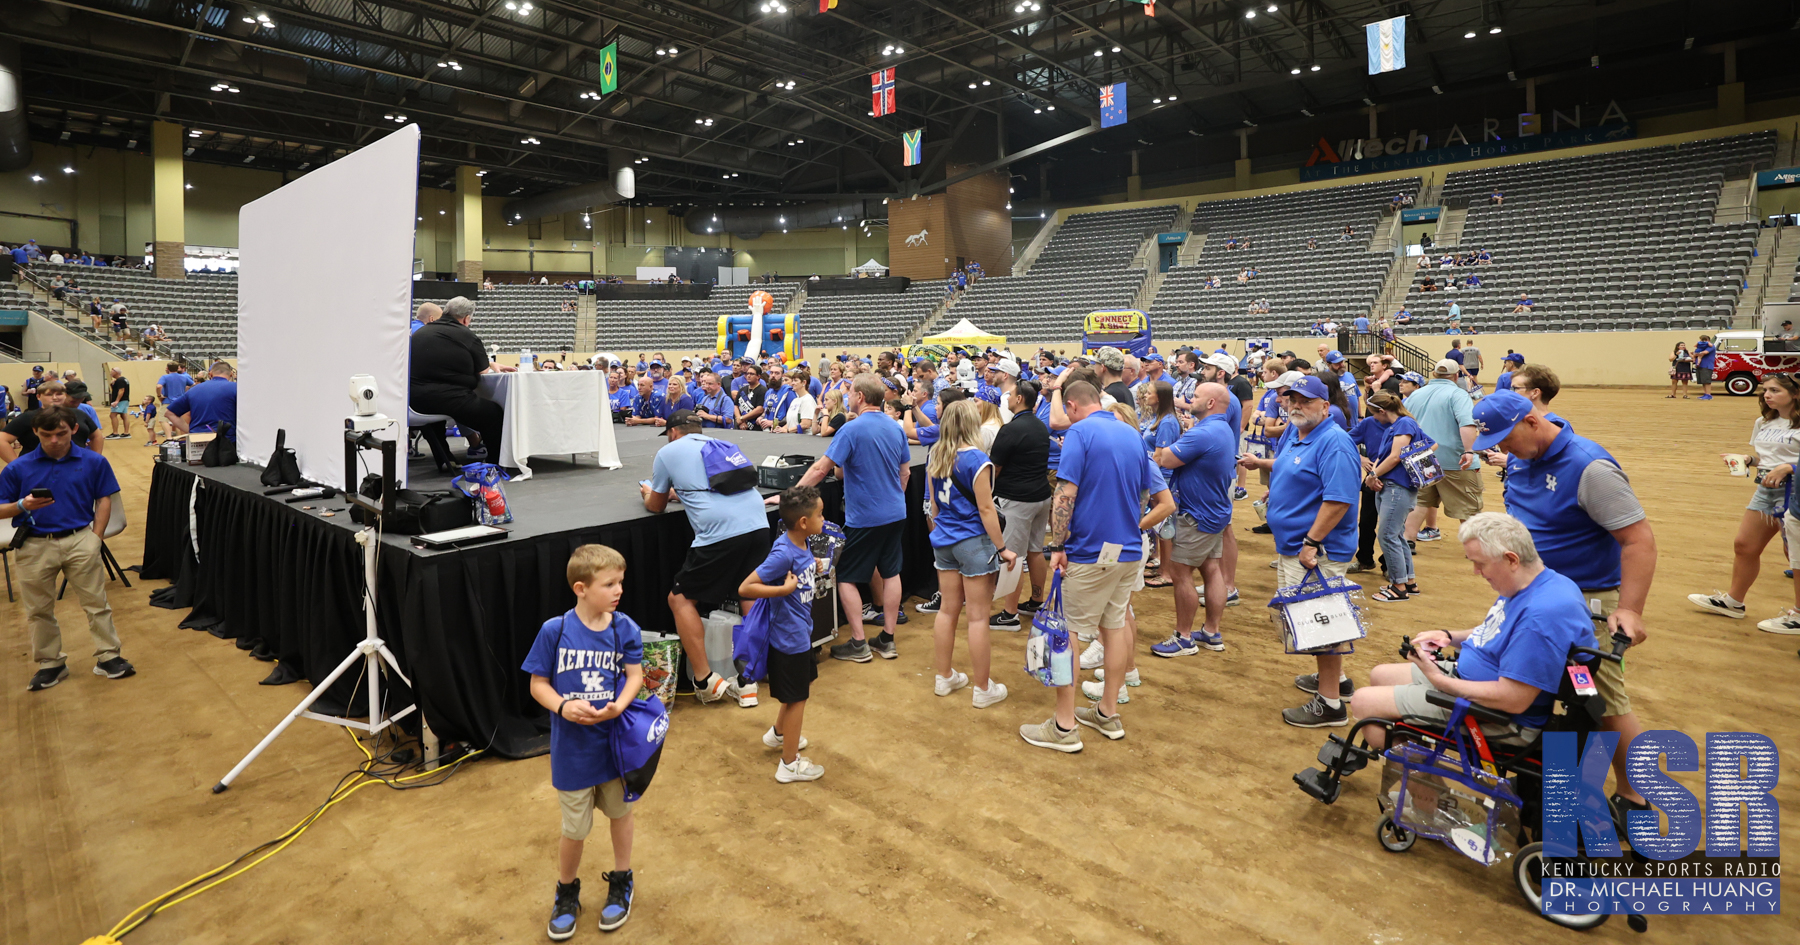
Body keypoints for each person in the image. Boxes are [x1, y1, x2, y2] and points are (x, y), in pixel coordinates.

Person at [1472, 390, 1658, 810]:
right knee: (1534, 687)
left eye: (1505, 439)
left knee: (1601, 700)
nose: (1501, 450)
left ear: (1533, 422)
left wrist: (1629, 609)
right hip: (1533, 598)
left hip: (1583, 606)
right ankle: (1550, 783)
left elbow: (1638, 540)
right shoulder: (1522, 457)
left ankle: (1636, 795)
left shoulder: (1589, 467)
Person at [1350, 512, 1594, 752]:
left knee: (1364, 702)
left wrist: (1439, 681)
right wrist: (1449, 636)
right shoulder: (1539, 582)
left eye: (1481, 563)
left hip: (1500, 715)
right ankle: (1416, 757)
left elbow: (1514, 700)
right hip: (1475, 679)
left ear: (1511, 559)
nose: (1476, 572)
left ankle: (1424, 787)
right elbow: (1499, 631)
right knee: (1380, 674)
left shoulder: (1539, 617)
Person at [1017, 380, 1173, 753]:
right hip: (1128, 550)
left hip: (1089, 552)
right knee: (1114, 628)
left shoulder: (1079, 433)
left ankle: (1064, 725)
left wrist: (1057, 544)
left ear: (1072, 405)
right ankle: (1106, 711)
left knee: (1068, 634)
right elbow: (1156, 498)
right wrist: (1127, 525)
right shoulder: (1132, 434)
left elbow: (1065, 493)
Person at [520, 544, 642, 938]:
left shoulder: (625, 628)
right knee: (574, 828)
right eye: (609, 584)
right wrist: (561, 707)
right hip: (572, 751)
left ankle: (622, 879)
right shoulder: (554, 631)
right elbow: (537, 684)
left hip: (614, 747)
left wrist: (619, 706)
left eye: (620, 581)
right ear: (580, 588)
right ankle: (566, 890)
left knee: (620, 813)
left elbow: (635, 675)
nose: (618, 590)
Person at [1236, 376, 1362, 727]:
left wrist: (1311, 542)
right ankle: (1335, 680)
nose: (1295, 405)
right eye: (1292, 399)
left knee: (1323, 624)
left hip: (1316, 551)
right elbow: (1294, 471)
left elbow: (1339, 500)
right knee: (1318, 621)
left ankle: (1330, 704)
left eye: (1305, 400)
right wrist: (1267, 476)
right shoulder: (1302, 435)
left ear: (1325, 406)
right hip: (1297, 547)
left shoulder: (1334, 441)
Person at [643, 410, 770, 706]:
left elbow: (656, 505)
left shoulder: (668, 451)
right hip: (758, 524)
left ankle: (704, 679)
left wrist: (648, 492)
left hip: (720, 533)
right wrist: (682, 494)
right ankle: (752, 675)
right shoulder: (722, 445)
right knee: (749, 593)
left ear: (674, 432)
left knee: (680, 598)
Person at [0, 407, 132, 691]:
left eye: (61, 433)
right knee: (38, 609)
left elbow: (104, 499)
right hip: (34, 544)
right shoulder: (17, 468)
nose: (55, 440)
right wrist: (22, 505)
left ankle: (109, 656)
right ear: (35, 433)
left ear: (73, 430)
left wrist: (96, 537)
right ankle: (51, 664)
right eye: (47, 435)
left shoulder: (94, 462)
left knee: (97, 603)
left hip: (80, 539)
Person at [785, 376, 911, 662]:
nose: (848, 396)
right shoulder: (895, 428)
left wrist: (790, 496)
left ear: (861, 397)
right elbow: (905, 474)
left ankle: (857, 642)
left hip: (866, 516)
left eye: (851, 392)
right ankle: (887, 639)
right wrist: (892, 498)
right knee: (892, 573)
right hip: (896, 512)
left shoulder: (851, 429)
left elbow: (820, 470)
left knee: (847, 577)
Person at [923, 400, 1017, 708]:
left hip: (944, 540)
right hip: (973, 542)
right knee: (977, 617)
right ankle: (981, 688)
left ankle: (943, 676)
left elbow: (934, 508)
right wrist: (1002, 548)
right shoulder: (978, 460)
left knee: (947, 610)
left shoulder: (936, 455)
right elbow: (986, 509)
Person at [1688, 374, 1800, 626]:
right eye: (1765, 390)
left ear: (1795, 394)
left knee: (1794, 554)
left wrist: (1789, 468)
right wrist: (1748, 460)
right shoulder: (1764, 421)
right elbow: (1767, 459)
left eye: (1774, 390)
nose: (1767, 395)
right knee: (1744, 545)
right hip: (1766, 490)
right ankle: (1733, 601)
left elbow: (1785, 463)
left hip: (1794, 492)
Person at [738, 486, 830, 782]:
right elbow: (746, 587)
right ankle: (789, 764)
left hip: (800, 635)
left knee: (796, 695)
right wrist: (783, 589)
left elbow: (797, 571)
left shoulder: (800, 545)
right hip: (788, 641)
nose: (823, 519)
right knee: (798, 699)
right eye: (819, 514)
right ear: (803, 522)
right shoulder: (783, 552)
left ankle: (779, 734)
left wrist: (810, 567)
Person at [1153, 382, 1237, 655]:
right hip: (1213, 511)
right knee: (1211, 570)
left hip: (1196, 514)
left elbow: (1164, 459)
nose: (1190, 398)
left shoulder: (1205, 432)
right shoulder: (1221, 427)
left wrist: (1159, 450)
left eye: (1197, 396)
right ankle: (1211, 632)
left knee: (1180, 573)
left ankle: (1184, 637)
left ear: (1211, 403)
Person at [410, 297, 506, 460]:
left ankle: (445, 461)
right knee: (494, 414)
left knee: (439, 419)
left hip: (415, 400)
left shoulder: (420, 333)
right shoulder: (467, 335)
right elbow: (483, 371)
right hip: (448, 398)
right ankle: (496, 461)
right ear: (466, 318)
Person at [990, 381, 1052, 629]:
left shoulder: (1010, 429)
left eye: (1010, 395)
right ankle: (1036, 601)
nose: (1006, 398)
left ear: (1019, 399)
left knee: (1012, 556)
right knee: (1036, 551)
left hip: (1017, 500)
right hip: (1041, 496)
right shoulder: (1040, 425)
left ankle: (1009, 613)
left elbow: (994, 469)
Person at [1403, 359, 1482, 543]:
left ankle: (1407, 541)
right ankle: (1476, 547)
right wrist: (1469, 450)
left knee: (1421, 503)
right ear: (1456, 376)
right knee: (1468, 506)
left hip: (1422, 457)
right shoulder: (1458, 394)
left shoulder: (1414, 395)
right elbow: (1467, 423)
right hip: (1454, 459)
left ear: (1434, 375)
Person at [1361, 392, 1425, 601]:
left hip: (1398, 487)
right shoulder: (1396, 426)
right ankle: (1409, 582)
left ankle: (1398, 587)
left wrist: (1373, 474)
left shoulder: (1404, 424)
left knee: (1387, 535)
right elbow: (1429, 444)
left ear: (1381, 411)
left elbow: (1396, 456)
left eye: (1373, 414)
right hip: (1390, 485)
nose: (1373, 419)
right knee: (1396, 534)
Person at [0, 381, 104, 463]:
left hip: (76, 466)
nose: (55, 398)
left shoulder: (79, 414)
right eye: (49, 394)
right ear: (39, 397)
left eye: (59, 394)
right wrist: (17, 465)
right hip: (37, 468)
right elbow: (2, 440)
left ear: (65, 395)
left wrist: (95, 460)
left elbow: (97, 436)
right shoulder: (28, 417)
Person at [165, 361, 239, 440]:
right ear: (231, 374)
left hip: (198, 439)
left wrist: (190, 431)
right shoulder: (236, 388)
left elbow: (169, 413)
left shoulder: (194, 389)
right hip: (228, 440)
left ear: (210, 374)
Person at [105, 368, 131, 439]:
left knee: (113, 415)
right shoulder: (123, 379)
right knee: (124, 415)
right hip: (125, 400)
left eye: (112, 371)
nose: (110, 372)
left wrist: (117, 401)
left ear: (116, 372)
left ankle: (115, 433)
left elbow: (121, 390)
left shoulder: (120, 380)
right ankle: (126, 433)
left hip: (121, 400)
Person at [1694, 334, 1717, 400]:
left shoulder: (1711, 346)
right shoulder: (1700, 347)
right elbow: (1695, 353)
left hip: (1707, 366)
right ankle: (1705, 393)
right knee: (1703, 381)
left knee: (1707, 381)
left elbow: (1704, 352)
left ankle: (1708, 394)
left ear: (1708, 340)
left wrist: (1697, 353)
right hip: (1700, 365)